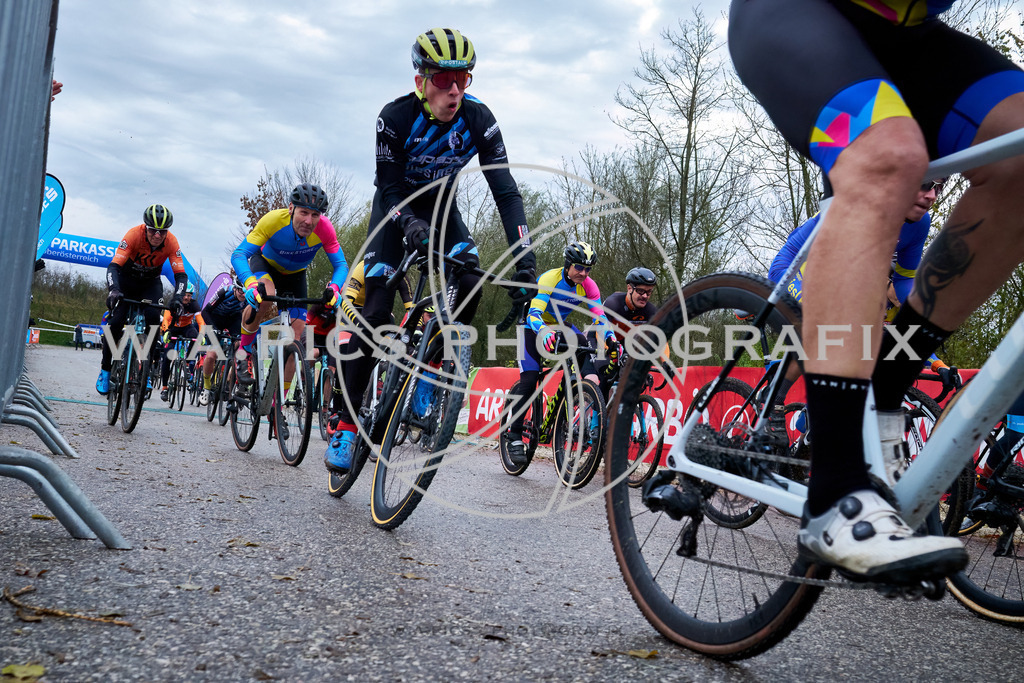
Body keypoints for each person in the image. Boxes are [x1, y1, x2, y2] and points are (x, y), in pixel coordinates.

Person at [727, 0, 1024, 581]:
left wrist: (900, 325)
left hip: (909, 34)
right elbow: (796, 258)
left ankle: (884, 385)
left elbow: (913, 281)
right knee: (889, 158)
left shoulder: (914, 234)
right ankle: (832, 485)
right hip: (795, 14)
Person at [327, 28, 537, 474]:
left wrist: (526, 262)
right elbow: (388, 185)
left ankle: (427, 368)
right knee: (377, 310)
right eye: (444, 79)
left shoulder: (480, 120)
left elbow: (506, 193)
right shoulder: (395, 117)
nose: (455, 90)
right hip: (394, 211)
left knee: (473, 280)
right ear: (421, 79)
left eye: (463, 78)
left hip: (442, 214)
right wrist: (409, 223)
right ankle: (346, 424)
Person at [768, 179, 962, 481]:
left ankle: (814, 440)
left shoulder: (920, 222)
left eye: (940, 185)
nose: (932, 195)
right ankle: (773, 403)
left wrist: (934, 355)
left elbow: (905, 283)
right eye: (924, 183)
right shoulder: (866, 207)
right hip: (796, 267)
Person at [504, 242, 622, 467]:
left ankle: (575, 404)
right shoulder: (549, 279)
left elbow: (600, 318)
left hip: (560, 326)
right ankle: (515, 434)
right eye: (579, 267)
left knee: (583, 346)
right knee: (529, 380)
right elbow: (534, 313)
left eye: (588, 269)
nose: (584, 273)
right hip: (531, 326)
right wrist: (543, 330)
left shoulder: (589, 286)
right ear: (568, 264)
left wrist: (611, 340)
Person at [230, 183, 349, 385]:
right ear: (291, 208)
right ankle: (244, 353)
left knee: (296, 338)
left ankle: (279, 403)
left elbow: (341, 265)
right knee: (265, 296)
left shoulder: (325, 229)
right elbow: (239, 254)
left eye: (315, 215)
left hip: (295, 275)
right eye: (303, 212)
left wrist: (334, 289)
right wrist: (250, 283)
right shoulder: (273, 221)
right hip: (266, 265)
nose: (308, 221)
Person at [97, 204, 188, 395]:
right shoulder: (133, 235)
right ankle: (105, 370)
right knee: (115, 323)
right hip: (126, 283)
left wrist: (178, 298)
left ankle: (145, 370)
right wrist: (113, 290)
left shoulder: (171, 242)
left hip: (150, 284)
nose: (157, 235)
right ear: (146, 227)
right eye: (153, 230)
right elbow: (113, 267)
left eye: (162, 232)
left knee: (154, 320)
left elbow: (181, 275)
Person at [592, 266, 661, 398]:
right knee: (607, 376)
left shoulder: (650, 311)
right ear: (629, 288)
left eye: (649, 292)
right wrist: (613, 353)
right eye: (641, 291)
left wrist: (665, 363)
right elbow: (600, 334)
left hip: (623, 345)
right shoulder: (614, 303)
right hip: (601, 341)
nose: (645, 296)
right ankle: (596, 416)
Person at [197, 273, 245, 406]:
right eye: (240, 291)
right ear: (235, 288)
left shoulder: (247, 297)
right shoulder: (224, 292)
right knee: (212, 355)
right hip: (215, 318)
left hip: (233, 319)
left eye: (245, 291)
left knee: (240, 345)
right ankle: (206, 388)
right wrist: (213, 329)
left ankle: (230, 380)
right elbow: (205, 312)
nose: (243, 294)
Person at [158, 282, 204, 402]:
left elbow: (200, 321)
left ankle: (188, 364)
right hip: (172, 329)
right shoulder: (173, 302)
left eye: (189, 295)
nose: (187, 297)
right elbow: (166, 319)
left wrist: (202, 334)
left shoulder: (194, 304)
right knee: (168, 355)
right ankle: (165, 388)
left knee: (195, 336)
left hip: (186, 328)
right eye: (185, 294)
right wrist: (166, 330)